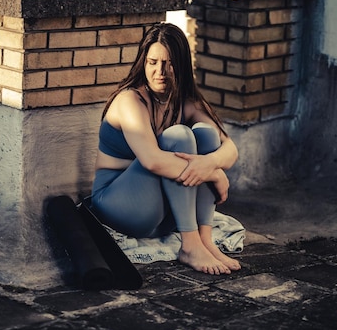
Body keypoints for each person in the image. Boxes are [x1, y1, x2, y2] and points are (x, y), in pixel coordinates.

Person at [91, 22, 241, 275]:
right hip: (121, 206)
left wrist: (211, 162)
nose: (160, 71)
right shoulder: (130, 100)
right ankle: (190, 245)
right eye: (152, 62)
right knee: (179, 136)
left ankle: (204, 240)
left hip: (165, 217)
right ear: (143, 63)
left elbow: (230, 148)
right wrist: (213, 172)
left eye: (169, 63)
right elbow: (152, 161)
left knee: (205, 134)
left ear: (181, 65)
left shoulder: (187, 100)